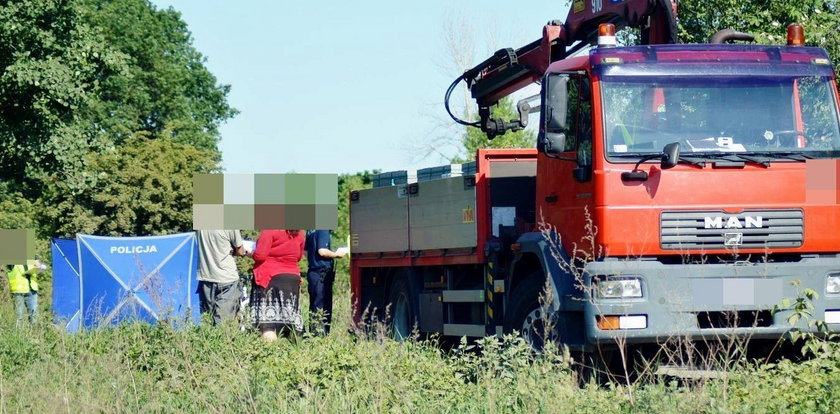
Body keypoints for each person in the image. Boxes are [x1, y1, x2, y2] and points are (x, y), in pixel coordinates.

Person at [250, 229, 305, 341]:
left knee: (268, 323)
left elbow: (260, 256)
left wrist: (250, 253)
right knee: (291, 320)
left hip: (270, 278)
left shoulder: (270, 231)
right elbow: (298, 257)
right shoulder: (299, 234)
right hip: (292, 279)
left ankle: (270, 355)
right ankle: (296, 353)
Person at [195, 230, 246, 325]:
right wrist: (232, 250)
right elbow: (240, 251)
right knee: (224, 323)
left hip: (206, 277)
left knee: (208, 321)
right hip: (227, 278)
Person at [305, 229, 346, 334]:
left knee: (314, 306)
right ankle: (321, 336)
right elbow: (322, 251)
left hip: (313, 272)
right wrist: (337, 255)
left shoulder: (310, 231)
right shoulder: (323, 229)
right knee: (323, 306)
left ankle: (313, 334)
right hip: (322, 273)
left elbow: (305, 253)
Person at [6, 259, 45, 324]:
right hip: (18, 291)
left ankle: (33, 333)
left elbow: (39, 263)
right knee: (18, 316)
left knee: (33, 315)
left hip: (31, 289)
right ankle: (18, 333)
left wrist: (39, 265)